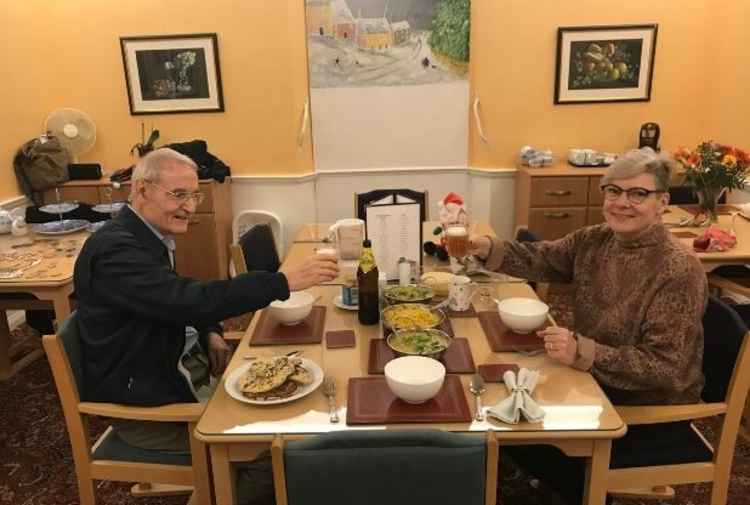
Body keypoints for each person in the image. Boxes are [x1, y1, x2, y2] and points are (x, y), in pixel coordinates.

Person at [73, 148, 338, 503]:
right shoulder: (115, 252)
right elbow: (187, 299)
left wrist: (210, 329)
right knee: (286, 444)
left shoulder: (143, 236)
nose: (190, 206)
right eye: (177, 194)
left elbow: (175, 296)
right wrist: (281, 282)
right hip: (151, 410)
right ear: (140, 190)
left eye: (193, 194)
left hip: (170, 378)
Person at [470, 147, 708, 505]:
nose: (621, 203)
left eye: (637, 194)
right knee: (498, 395)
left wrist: (583, 350)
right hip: (590, 378)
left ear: (662, 202)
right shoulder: (596, 239)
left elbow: (663, 367)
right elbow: (540, 258)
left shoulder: (678, 270)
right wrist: (486, 247)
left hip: (646, 406)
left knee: (509, 422)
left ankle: (588, 493)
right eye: (613, 191)